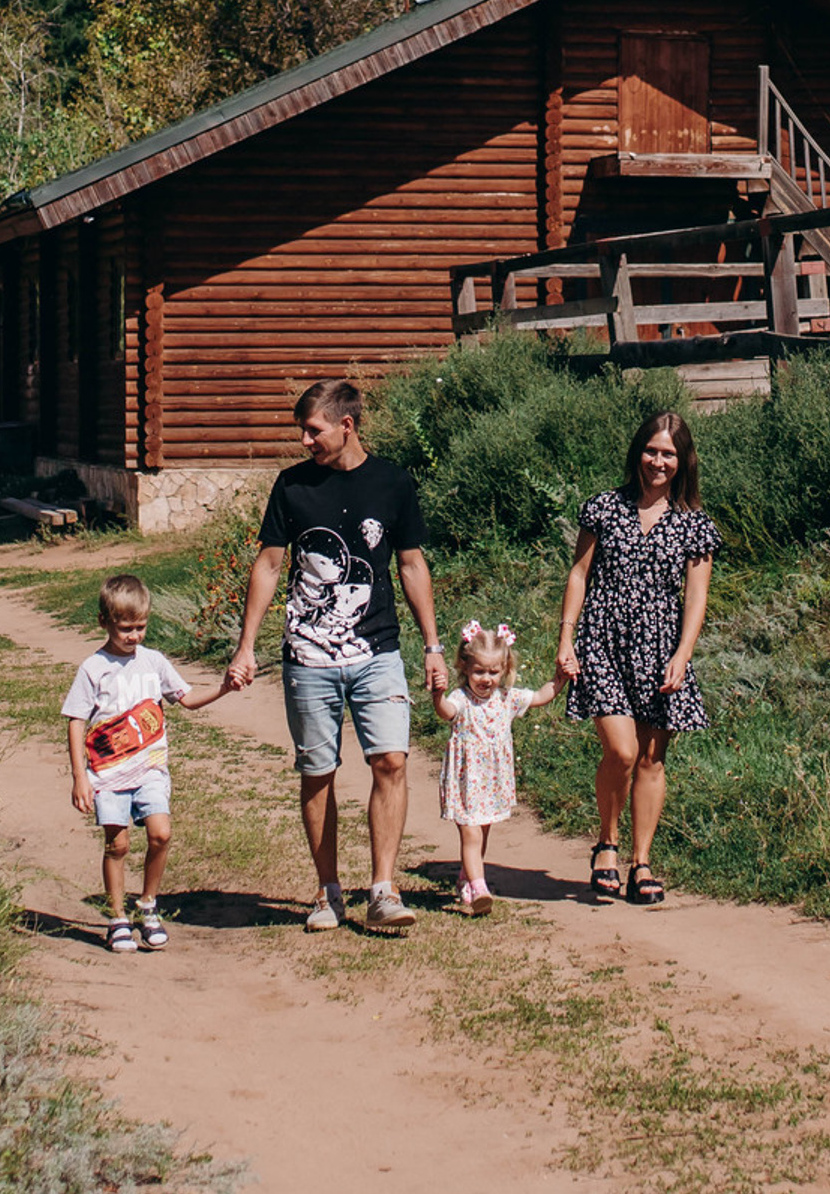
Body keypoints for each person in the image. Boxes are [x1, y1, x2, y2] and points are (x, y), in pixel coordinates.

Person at [230, 379, 441, 935]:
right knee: (318, 773)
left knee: (391, 761)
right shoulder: (292, 486)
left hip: (378, 650)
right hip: (308, 657)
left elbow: (412, 566)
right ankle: (327, 894)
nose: (304, 440)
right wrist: (246, 645)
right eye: (303, 430)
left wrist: (434, 647)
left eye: (313, 429)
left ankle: (382, 889)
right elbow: (270, 566)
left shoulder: (393, 482)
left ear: (346, 425)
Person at [554, 409, 718, 908]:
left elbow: (696, 597)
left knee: (651, 758)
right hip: (602, 640)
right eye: (651, 450)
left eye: (668, 453)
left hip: (662, 647)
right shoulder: (604, 508)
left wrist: (682, 654)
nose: (658, 461)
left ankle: (641, 862)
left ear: (683, 460)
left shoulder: (695, 525)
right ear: (637, 452)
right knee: (622, 752)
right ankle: (607, 842)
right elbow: (579, 575)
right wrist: (566, 639)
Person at [64, 572, 235, 953]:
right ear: (104, 622)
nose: (134, 636)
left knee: (161, 834)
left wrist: (223, 688)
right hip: (108, 775)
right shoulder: (93, 669)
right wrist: (80, 777)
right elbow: (76, 721)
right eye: (125, 628)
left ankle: (148, 906)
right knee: (118, 845)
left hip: (151, 769)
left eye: (140, 627)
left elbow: (185, 698)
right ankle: (117, 918)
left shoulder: (154, 662)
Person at [430, 620, 563, 916]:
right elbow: (446, 713)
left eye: (493, 671)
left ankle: (466, 878)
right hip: (465, 780)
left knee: (483, 832)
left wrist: (560, 678)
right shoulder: (461, 699)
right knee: (472, 834)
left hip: (490, 781)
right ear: (465, 667)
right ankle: (479, 887)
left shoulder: (507, 698)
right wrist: (437, 696)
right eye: (479, 671)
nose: (486, 679)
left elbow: (542, 696)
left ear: (504, 669)